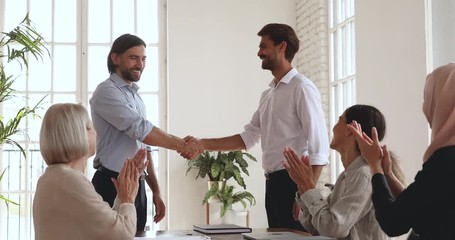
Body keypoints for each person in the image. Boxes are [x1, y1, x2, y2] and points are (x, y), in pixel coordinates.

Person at [182, 23, 330, 230]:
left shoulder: (302, 88)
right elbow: (248, 137)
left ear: (282, 47)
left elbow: (319, 149)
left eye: (264, 46)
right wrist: (201, 144)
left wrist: (305, 194)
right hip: (273, 184)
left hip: (294, 183)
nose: (259, 52)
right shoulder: (268, 95)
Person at [90, 33, 202, 232]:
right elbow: (141, 129)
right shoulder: (106, 92)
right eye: (133, 58)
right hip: (111, 183)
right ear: (115, 58)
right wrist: (183, 145)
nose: (140, 64)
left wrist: (155, 192)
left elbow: (144, 148)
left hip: (137, 185)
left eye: (143, 59)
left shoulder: (136, 97)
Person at [348, 63, 455, 239]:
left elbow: (393, 222)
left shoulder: (445, 161)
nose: (424, 107)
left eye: (427, 97)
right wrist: (388, 175)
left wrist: (375, 166)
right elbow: (419, 207)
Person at [283, 104, 405, 239]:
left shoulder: (363, 175)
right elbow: (317, 228)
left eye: (339, 121)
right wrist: (303, 186)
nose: (333, 128)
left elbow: (333, 228)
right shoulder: (346, 176)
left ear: (349, 130)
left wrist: (308, 187)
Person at [33, 103, 148, 240]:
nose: (95, 132)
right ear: (77, 135)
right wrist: (128, 198)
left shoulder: (52, 178)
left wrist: (123, 194)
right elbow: (122, 234)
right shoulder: (71, 182)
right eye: (89, 127)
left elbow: (104, 229)